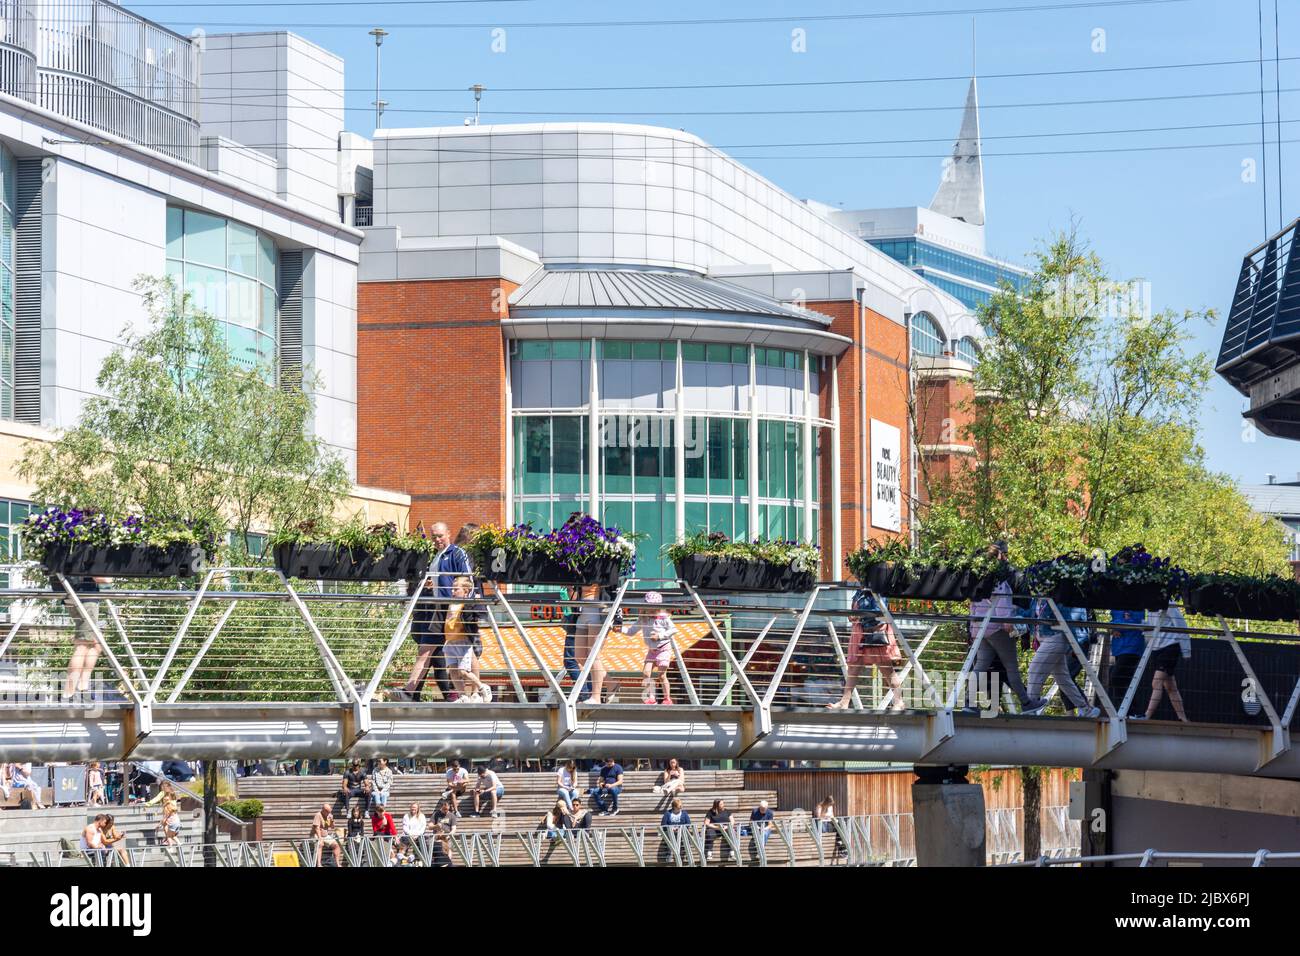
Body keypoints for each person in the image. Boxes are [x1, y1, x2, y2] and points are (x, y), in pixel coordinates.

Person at [968, 542, 1043, 714]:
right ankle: (1026, 703)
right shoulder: (999, 582)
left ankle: (968, 702)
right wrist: (1009, 625)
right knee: (1011, 667)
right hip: (998, 630)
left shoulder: (978, 580)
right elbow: (1003, 606)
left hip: (981, 629)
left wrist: (973, 630)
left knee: (980, 666)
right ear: (998, 557)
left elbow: (972, 608)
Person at [828, 589, 905, 712]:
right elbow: (853, 614)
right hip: (860, 634)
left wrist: (859, 615)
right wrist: (854, 615)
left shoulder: (876, 592)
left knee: (887, 670)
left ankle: (899, 701)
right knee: (853, 668)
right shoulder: (860, 593)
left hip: (872, 634)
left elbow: (879, 613)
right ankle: (844, 701)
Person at [1026, 598, 1098, 717]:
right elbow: (1031, 615)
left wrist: (1077, 644)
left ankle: (1031, 709)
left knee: (1034, 669)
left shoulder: (1058, 598)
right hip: (1045, 640)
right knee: (1063, 678)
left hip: (1056, 638)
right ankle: (1086, 709)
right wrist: (1016, 613)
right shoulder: (1036, 599)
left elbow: (1071, 620)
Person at [400, 573, 454, 701]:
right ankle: (449, 696)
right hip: (430, 627)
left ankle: (415, 695)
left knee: (431, 661)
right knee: (431, 661)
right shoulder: (427, 592)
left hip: (422, 628)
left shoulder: (416, 591)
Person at [1137, 601, 1191, 722]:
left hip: (1170, 647)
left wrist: (1186, 651)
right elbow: (1151, 627)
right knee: (1170, 687)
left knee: (1156, 683)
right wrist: (1144, 628)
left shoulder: (1169, 605)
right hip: (1157, 649)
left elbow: (1181, 625)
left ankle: (1146, 716)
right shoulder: (1150, 608)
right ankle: (1183, 719)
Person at [441, 576, 492, 703]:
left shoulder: (467, 604)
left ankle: (482, 687)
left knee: (463, 671)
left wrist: (476, 601)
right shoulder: (450, 603)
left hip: (462, 641)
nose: (453, 592)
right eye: (452, 589)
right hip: (450, 641)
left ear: (466, 591)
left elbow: (477, 615)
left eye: (456, 589)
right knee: (452, 671)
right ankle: (463, 695)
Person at [62, 576, 109, 700]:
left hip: (74, 597)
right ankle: (69, 691)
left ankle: (82, 686)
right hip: (86, 600)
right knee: (82, 646)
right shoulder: (87, 557)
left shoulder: (74, 557)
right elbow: (104, 579)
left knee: (97, 645)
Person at [625, 591, 677, 705]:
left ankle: (667, 698)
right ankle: (651, 697)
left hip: (663, 649)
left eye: (653, 607)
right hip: (652, 651)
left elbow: (674, 629)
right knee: (646, 673)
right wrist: (620, 629)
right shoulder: (643, 618)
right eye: (648, 607)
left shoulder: (663, 618)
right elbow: (631, 631)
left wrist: (660, 636)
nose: (651, 610)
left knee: (662, 675)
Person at [573, 580, 611, 705]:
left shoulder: (600, 566)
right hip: (582, 611)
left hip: (596, 610)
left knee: (593, 655)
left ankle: (596, 697)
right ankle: (612, 683)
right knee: (579, 656)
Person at [1108, 607, 1147, 715]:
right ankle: (1132, 713)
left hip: (1132, 646)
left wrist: (1119, 624)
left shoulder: (1137, 603)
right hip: (1118, 647)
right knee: (1124, 681)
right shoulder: (1116, 605)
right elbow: (1113, 621)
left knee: (1116, 677)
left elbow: (1138, 623)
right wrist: (1113, 628)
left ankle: (1127, 712)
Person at [311, 803, 342, 867]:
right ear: (323, 810)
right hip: (316, 835)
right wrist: (320, 838)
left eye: (329, 812)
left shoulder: (329, 815)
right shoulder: (318, 815)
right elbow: (317, 828)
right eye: (327, 812)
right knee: (320, 844)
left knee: (336, 845)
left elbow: (332, 827)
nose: (328, 813)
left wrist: (332, 821)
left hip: (326, 836)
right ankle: (319, 864)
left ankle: (337, 864)